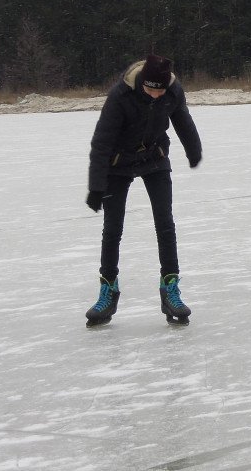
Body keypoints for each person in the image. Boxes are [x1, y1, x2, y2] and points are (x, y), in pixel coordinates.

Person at [85, 53, 203, 326]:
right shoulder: (120, 95)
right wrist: (96, 186)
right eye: (150, 90)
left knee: (165, 223)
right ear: (142, 84)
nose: (155, 95)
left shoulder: (172, 91)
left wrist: (194, 150)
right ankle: (108, 291)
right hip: (117, 164)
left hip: (154, 157)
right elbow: (102, 141)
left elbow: (183, 121)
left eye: (160, 91)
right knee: (112, 228)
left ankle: (170, 288)